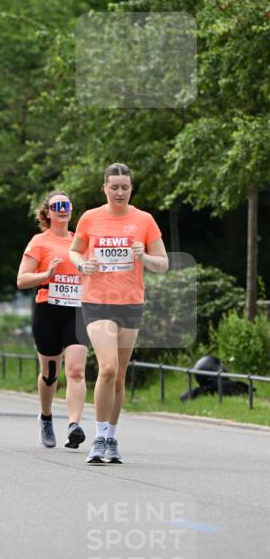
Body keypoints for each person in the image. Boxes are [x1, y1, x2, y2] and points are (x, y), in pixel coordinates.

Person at [69, 163, 168, 464]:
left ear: (131, 189)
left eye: (125, 187)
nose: (120, 192)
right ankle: (98, 438)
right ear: (105, 188)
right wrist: (80, 264)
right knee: (108, 368)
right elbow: (74, 250)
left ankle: (111, 437)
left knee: (120, 375)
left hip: (130, 302)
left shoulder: (144, 220)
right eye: (114, 187)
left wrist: (144, 256)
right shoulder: (90, 218)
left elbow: (162, 264)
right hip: (97, 301)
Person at [17, 192, 88, 449]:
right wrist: (46, 274)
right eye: (57, 206)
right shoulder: (39, 241)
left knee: (77, 370)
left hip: (76, 311)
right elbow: (22, 280)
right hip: (48, 308)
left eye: (66, 205)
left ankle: (74, 425)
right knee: (50, 374)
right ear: (47, 212)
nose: (62, 209)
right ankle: (46, 417)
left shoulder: (80, 241)